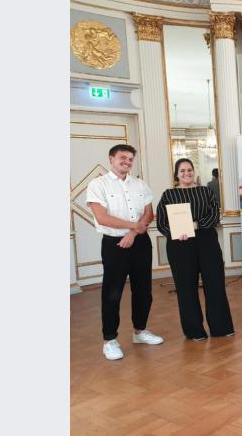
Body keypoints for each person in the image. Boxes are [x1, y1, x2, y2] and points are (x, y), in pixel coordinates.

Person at [85, 144, 163, 360]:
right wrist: (132, 227)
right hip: (114, 245)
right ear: (111, 159)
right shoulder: (97, 184)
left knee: (143, 290)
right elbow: (101, 217)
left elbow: (148, 213)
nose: (127, 162)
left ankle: (140, 331)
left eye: (130, 159)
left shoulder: (140, 184)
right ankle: (109, 340)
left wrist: (133, 233)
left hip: (140, 242)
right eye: (123, 158)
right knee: (113, 293)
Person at [156, 159, 235, 340]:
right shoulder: (168, 194)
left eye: (190, 170)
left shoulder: (205, 191)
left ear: (194, 172)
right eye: (182, 170)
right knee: (186, 288)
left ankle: (221, 327)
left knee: (215, 284)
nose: (187, 173)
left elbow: (215, 214)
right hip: (179, 245)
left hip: (206, 241)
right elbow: (161, 222)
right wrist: (176, 232)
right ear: (176, 174)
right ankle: (194, 331)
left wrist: (196, 225)